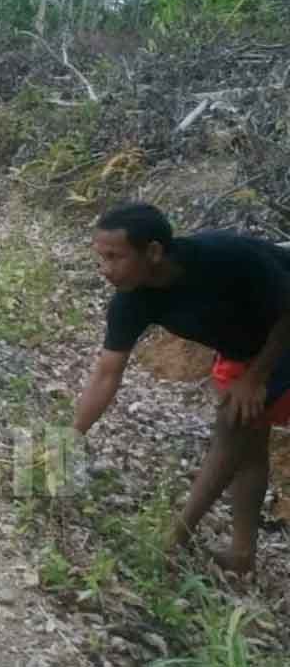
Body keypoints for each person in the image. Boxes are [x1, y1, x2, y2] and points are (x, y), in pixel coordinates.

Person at [74, 203, 290, 573]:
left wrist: (255, 378)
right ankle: (242, 555)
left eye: (115, 257)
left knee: (232, 423)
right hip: (245, 348)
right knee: (250, 445)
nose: (105, 270)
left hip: (280, 334)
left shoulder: (225, 256)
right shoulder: (131, 300)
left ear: (154, 252)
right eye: (101, 258)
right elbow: (107, 374)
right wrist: (69, 437)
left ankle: (173, 540)